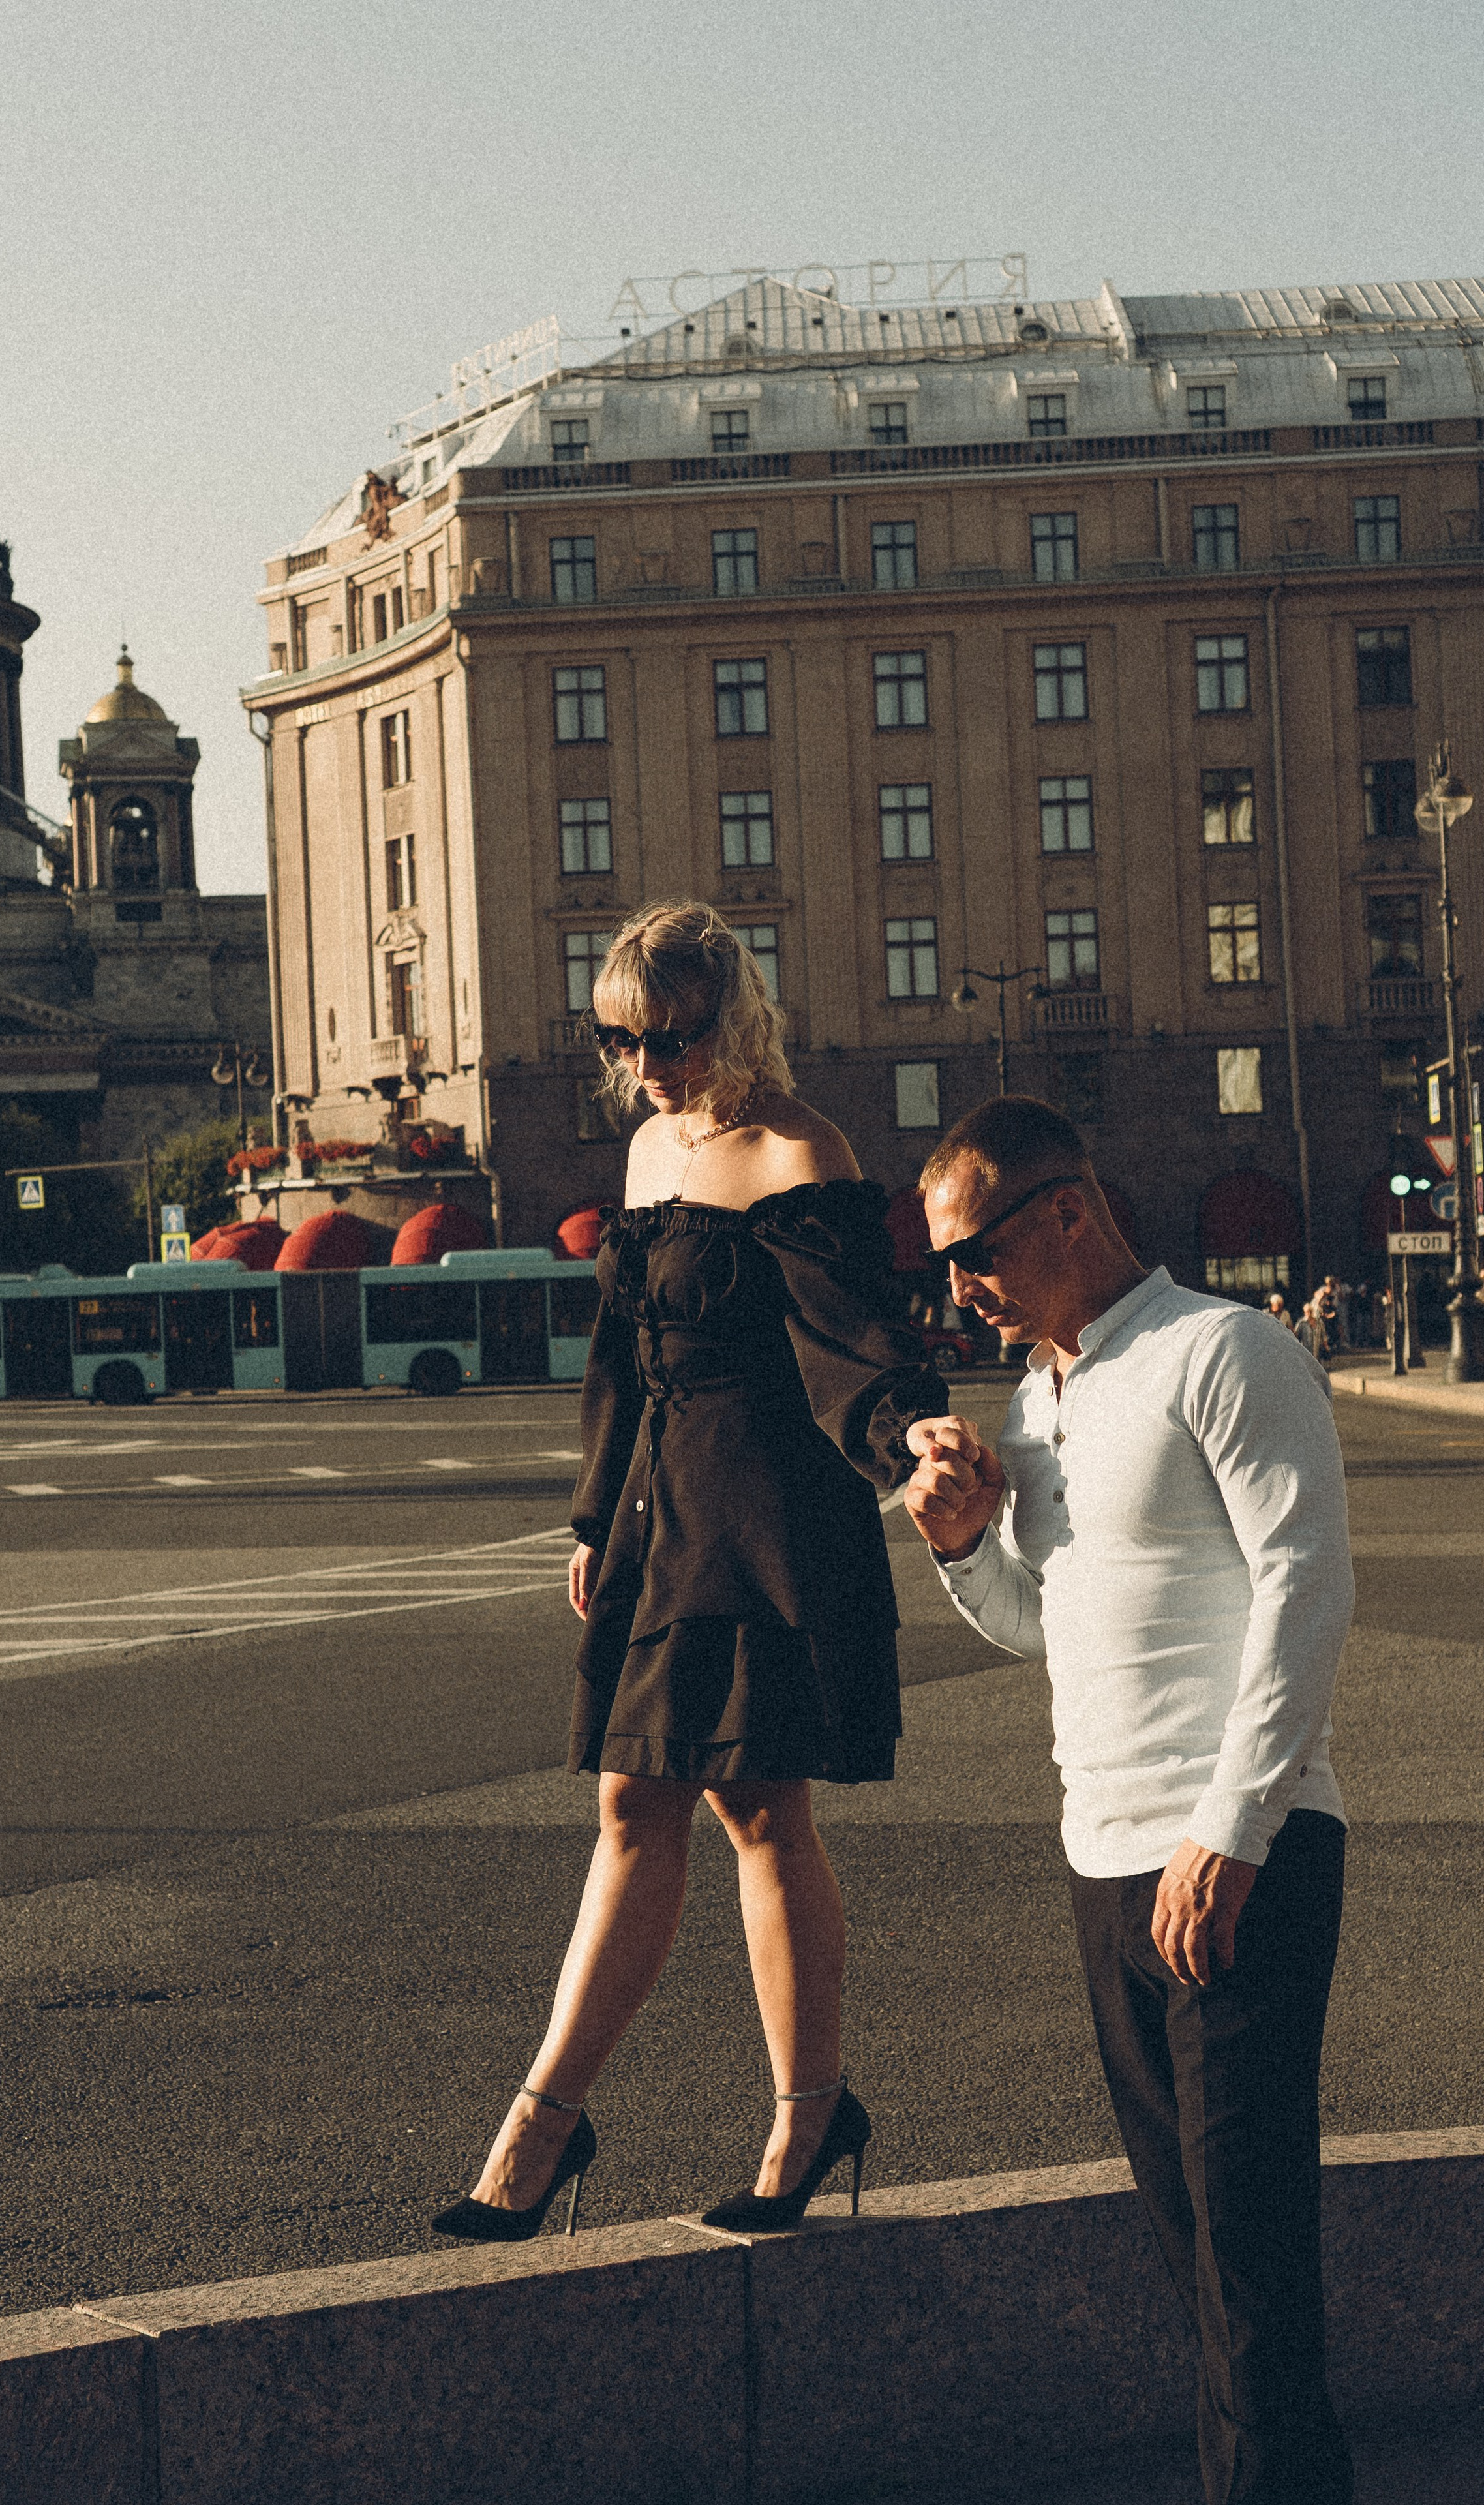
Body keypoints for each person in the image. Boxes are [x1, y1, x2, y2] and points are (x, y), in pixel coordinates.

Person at [432, 903, 949, 2243]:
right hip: (665, 1516)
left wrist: (910, 1437)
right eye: (622, 1043)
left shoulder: (799, 1149)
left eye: (671, 1038)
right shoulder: (649, 1146)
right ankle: (547, 2122)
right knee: (628, 1805)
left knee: (761, 1810)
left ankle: (800, 2113)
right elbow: (620, 1357)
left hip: (772, 1514)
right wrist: (593, 1519)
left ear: (735, 1011)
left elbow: (850, 1339)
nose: (649, 1069)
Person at [904, 1096, 1354, 2505]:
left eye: (971, 1251)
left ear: (1065, 1210)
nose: (956, 1290)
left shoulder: (1223, 1350)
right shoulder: (1035, 1403)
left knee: (1250, 2269)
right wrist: (964, 1548)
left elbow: (1305, 1587)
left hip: (1238, 1847)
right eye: (942, 1263)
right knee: (1198, 2270)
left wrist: (1227, 1829)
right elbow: (1049, 1624)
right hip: (1101, 1858)